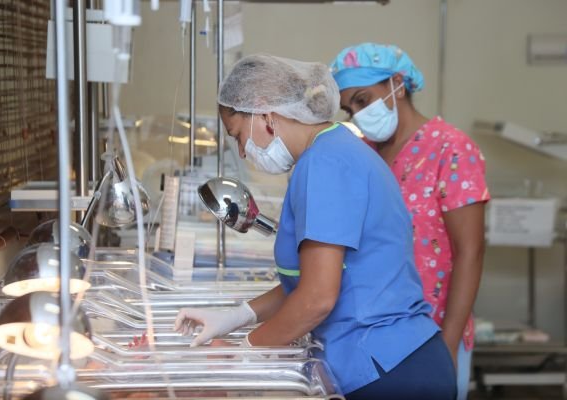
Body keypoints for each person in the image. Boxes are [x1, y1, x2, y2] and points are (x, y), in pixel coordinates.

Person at [174, 54, 456, 400]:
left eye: (238, 136)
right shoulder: (333, 150)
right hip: (396, 359)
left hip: (388, 368)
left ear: (264, 113)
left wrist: (243, 352)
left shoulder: (325, 164)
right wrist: (238, 316)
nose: (243, 152)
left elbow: (318, 297)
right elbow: (312, 279)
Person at [330, 42, 489, 400]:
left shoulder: (451, 150)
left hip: (433, 333)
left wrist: (447, 345)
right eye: (349, 108)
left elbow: (471, 252)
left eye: (363, 100)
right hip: (368, 336)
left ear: (397, 85)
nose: (358, 114)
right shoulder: (364, 154)